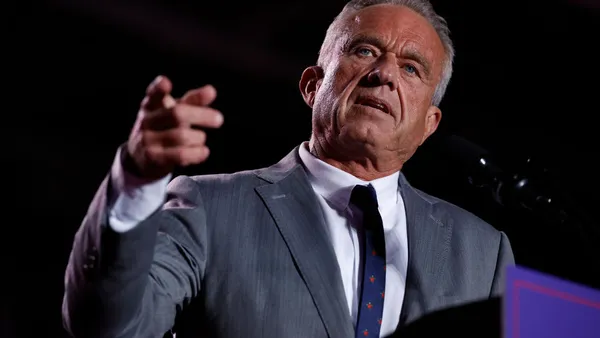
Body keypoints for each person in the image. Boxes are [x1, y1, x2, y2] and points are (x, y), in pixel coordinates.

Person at [62, 0, 515, 337]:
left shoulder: (484, 253)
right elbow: (109, 328)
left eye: (412, 68)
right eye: (364, 51)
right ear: (312, 86)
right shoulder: (209, 208)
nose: (385, 74)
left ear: (429, 125)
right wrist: (138, 181)